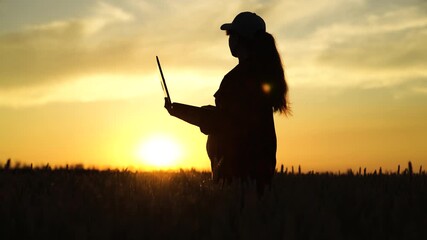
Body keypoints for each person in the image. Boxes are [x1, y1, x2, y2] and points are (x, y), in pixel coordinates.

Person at [165, 12, 290, 195]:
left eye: (231, 35)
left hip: (237, 173)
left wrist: (179, 110)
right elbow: (237, 117)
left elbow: (223, 122)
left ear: (241, 40)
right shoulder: (260, 75)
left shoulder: (239, 78)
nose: (229, 41)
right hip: (256, 172)